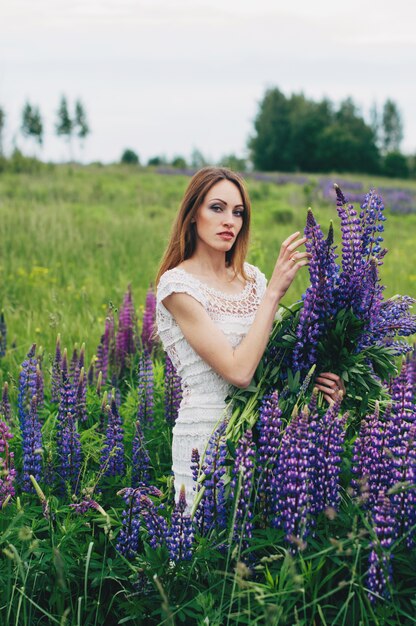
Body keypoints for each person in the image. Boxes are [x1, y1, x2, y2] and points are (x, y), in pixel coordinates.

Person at [155, 166, 344, 509]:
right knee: (203, 554)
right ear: (192, 215)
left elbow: (267, 363)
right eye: (217, 208)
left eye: (238, 212)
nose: (230, 220)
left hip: (260, 434)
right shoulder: (177, 286)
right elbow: (239, 372)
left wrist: (313, 382)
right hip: (205, 437)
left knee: (249, 553)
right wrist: (273, 294)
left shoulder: (252, 280)